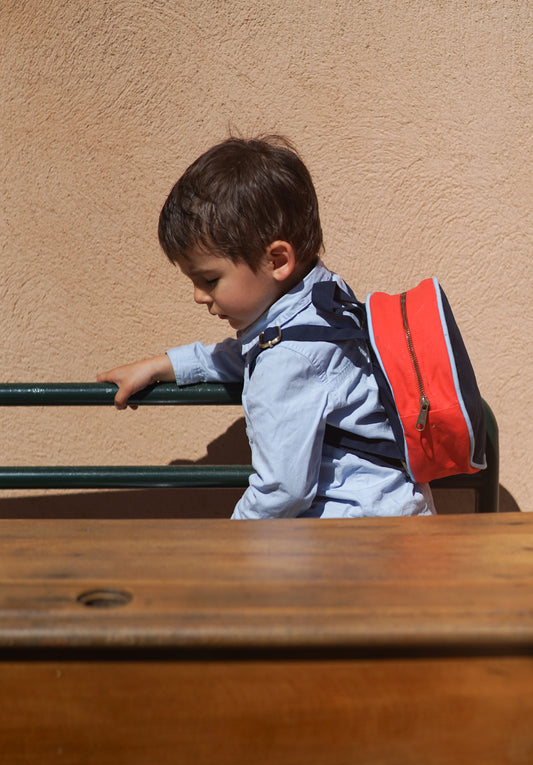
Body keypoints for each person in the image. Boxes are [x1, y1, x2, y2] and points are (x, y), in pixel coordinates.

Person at [97, 136, 435, 519]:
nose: (198, 296)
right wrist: (165, 365)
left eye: (209, 280)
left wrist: (231, 543)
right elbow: (257, 350)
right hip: (395, 514)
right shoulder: (323, 298)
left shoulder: (286, 361)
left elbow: (282, 492)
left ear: (277, 260)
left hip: (356, 541)